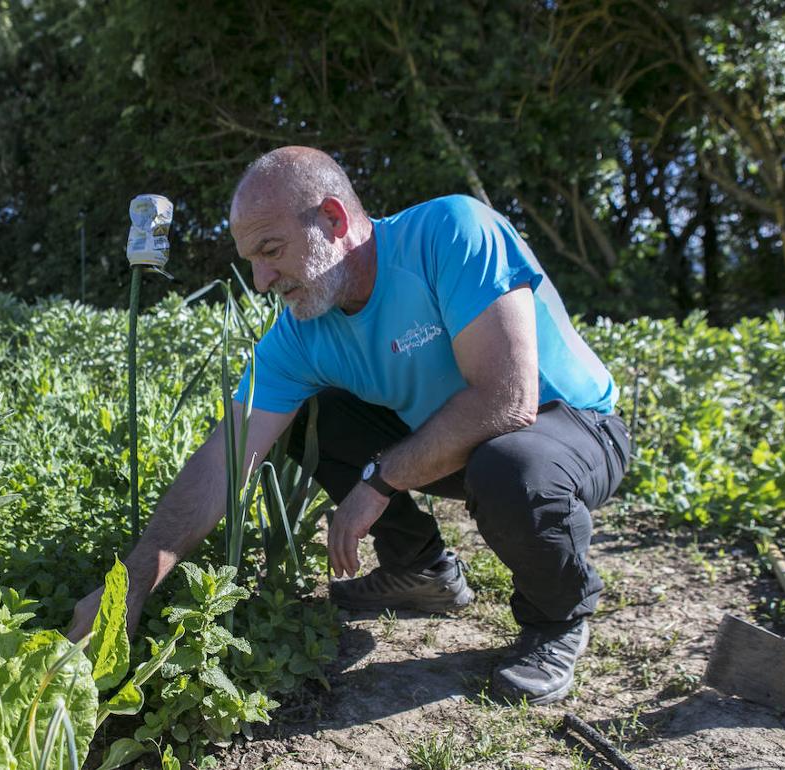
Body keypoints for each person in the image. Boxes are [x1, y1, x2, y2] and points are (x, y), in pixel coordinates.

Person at [68, 146, 631, 705]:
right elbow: (226, 458)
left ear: (334, 219)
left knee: (512, 465)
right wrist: (132, 583)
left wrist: (378, 481)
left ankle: (556, 617)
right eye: (252, 263)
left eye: (271, 250)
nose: (262, 281)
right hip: (459, 443)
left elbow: (506, 401)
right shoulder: (298, 336)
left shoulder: (449, 232)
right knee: (308, 418)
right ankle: (421, 571)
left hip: (571, 427)